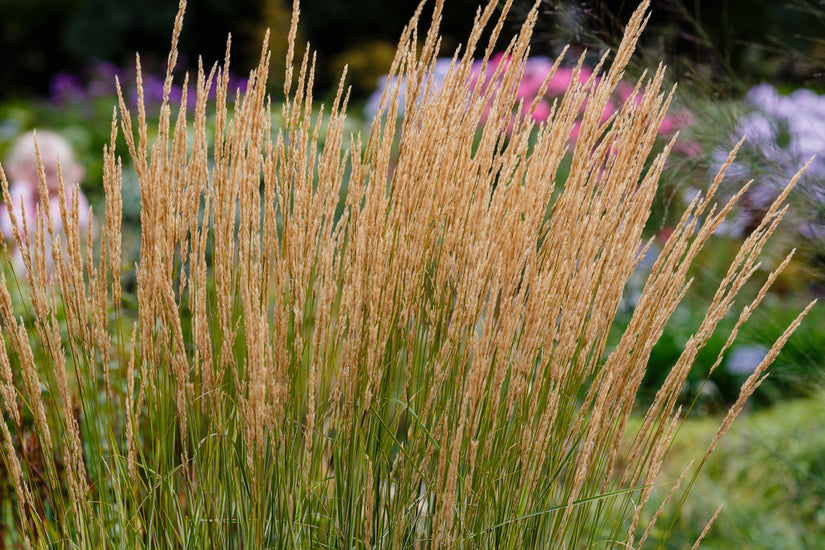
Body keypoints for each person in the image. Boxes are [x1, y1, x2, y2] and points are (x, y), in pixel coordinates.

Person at [0, 130, 92, 274]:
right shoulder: (20, 197)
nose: (45, 181)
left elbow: (83, 224)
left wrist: (70, 190)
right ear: (19, 172)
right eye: (38, 174)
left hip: (62, 272)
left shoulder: (70, 197)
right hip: (25, 272)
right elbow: (11, 231)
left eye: (53, 173)